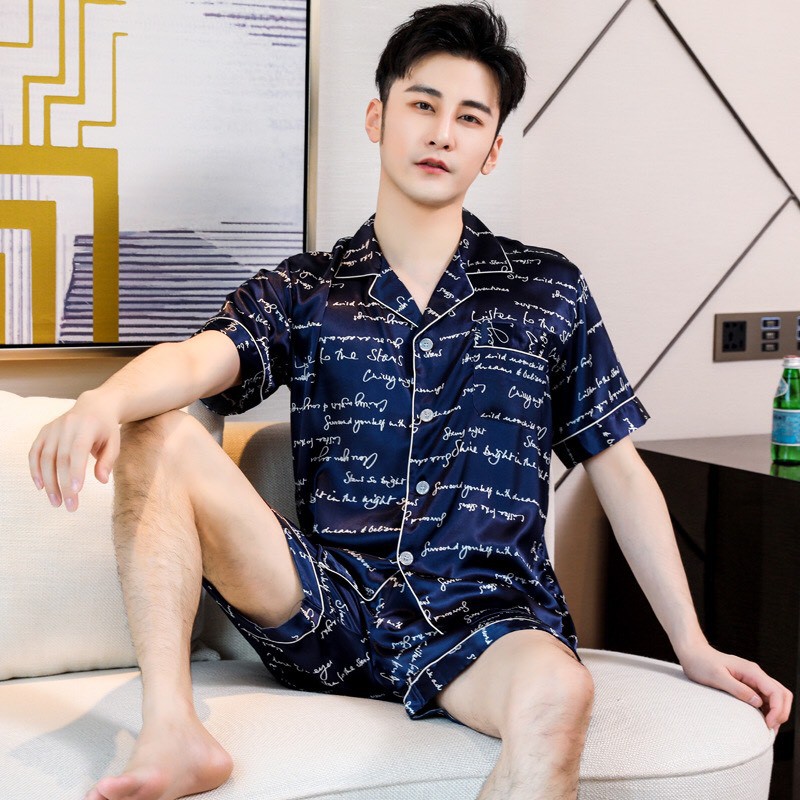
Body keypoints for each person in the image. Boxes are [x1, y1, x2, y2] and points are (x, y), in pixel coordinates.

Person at [29, 3, 792, 800]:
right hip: (328, 606)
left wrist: (692, 644)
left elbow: (620, 470)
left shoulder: (547, 291)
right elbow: (197, 360)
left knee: (561, 694)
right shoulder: (306, 289)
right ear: (378, 117)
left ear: (492, 150)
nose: (441, 134)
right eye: (423, 105)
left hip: (488, 619)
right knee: (155, 428)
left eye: (470, 118)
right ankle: (172, 732)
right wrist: (101, 401)